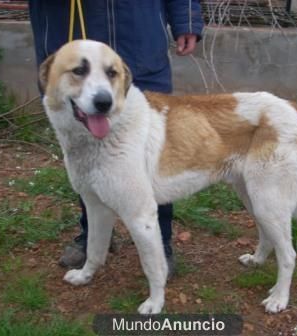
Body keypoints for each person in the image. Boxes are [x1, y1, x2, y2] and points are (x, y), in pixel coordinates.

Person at [28, 1, 203, 275]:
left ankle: (161, 241)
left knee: (157, 158)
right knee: (86, 161)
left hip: (138, 41)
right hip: (69, 42)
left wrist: (187, 19)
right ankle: (94, 237)